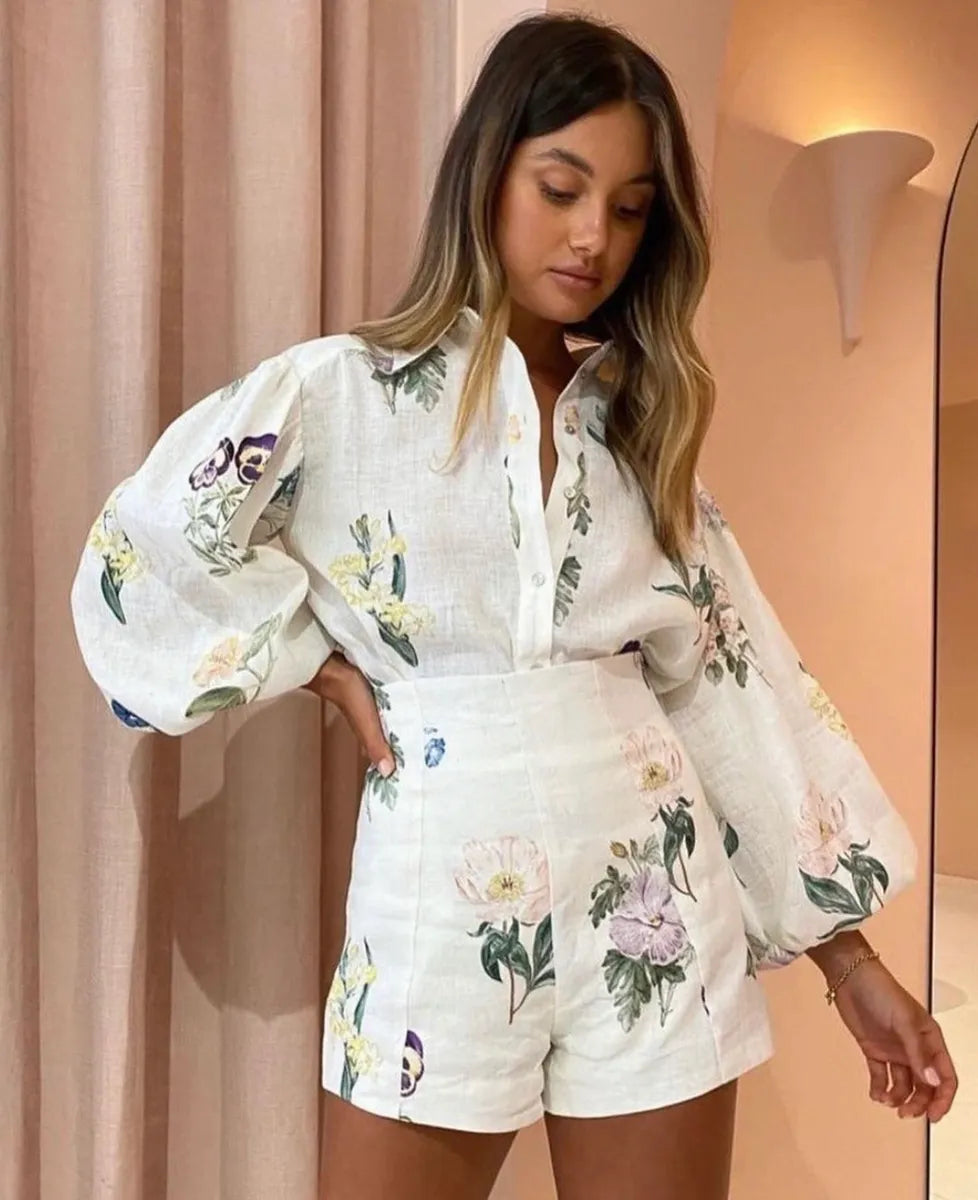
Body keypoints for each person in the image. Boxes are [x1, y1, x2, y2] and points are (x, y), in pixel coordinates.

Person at [70, 12, 957, 1200]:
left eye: (630, 208)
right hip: (440, 895)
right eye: (562, 187)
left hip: (654, 899)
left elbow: (730, 688)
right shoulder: (340, 394)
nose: (594, 237)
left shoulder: (640, 429)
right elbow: (141, 553)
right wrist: (311, 659)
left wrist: (852, 964)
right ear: (489, 173)